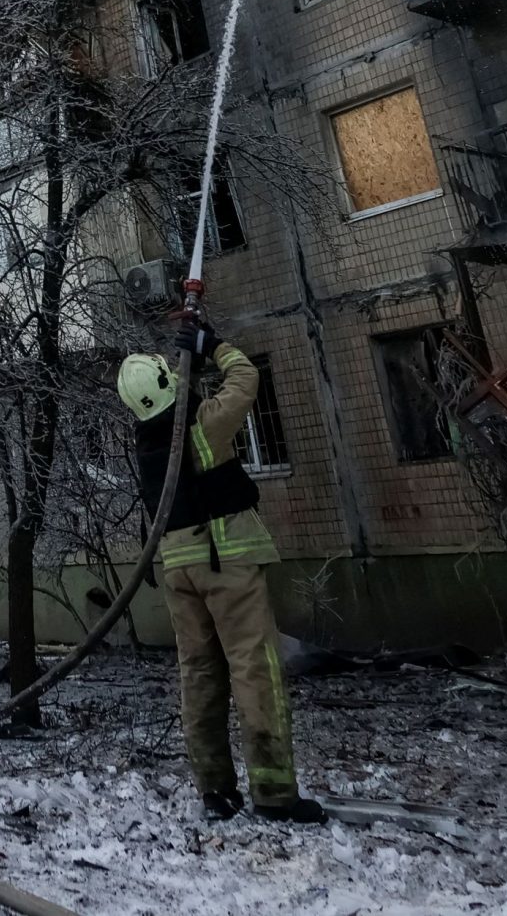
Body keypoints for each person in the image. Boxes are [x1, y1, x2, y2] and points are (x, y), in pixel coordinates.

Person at [120, 330, 326, 824]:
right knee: (255, 669)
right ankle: (275, 793)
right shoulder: (205, 425)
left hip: (179, 569)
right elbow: (246, 377)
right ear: (171, 383)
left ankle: (214, 789)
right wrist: (212, 344)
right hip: (226, 562)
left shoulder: (149, 447)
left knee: (199, 673)